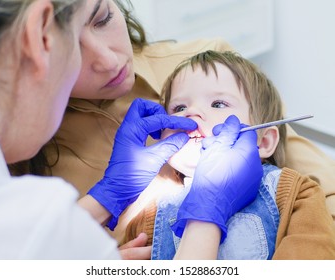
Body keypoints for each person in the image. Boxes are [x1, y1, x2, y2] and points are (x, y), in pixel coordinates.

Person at [8, 0, 335, 251]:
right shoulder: (17, 149)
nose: (108, 60)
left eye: (103, 18)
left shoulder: (212, 64)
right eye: (71, 48)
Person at [123, 50, 335, 260]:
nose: (191, 113)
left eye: (218, 104)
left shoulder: (296, 193)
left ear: (264, 141)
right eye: (179, 107)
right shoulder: (148, 215)